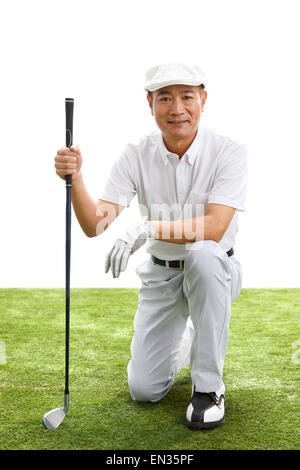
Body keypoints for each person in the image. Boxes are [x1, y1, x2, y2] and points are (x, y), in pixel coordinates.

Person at [54, 63, 248, 429]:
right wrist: (76, 179)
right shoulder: (135, 154)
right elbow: (95, 223)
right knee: (143, 390)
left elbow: (214, 226)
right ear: (150, 103)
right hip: (161, 276)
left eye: (187, 96)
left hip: (215, 272)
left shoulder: (229, 152)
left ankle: (208, 389)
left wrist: (146, 229)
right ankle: (194, 338)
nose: (177, 109)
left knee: (204, 255)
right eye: (165, 98)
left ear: (203, 99)